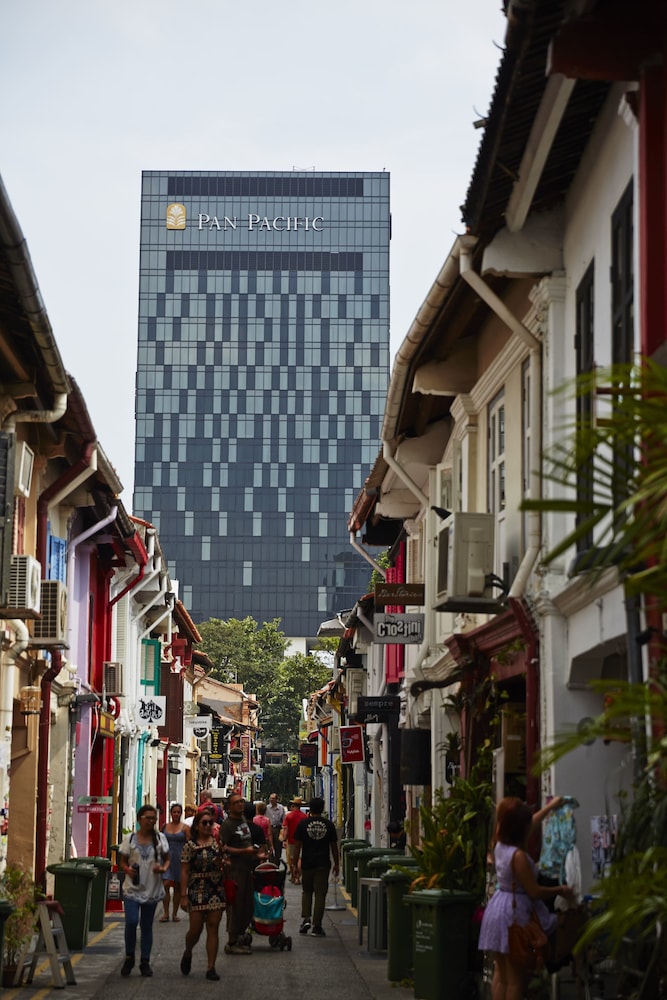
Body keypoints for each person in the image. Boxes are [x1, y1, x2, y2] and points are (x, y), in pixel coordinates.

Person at [478, 797, 575, 1000]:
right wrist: (561, 889)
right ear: (519, 829)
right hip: (514, 914)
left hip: (497, 909)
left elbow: (531, 822)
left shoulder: (499, 846)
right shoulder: (518, 856)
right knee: (516, 979)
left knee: (501, 974)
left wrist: (549, 807)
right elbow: (534, 891)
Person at [118, 804, 170, 977]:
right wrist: (127, 870)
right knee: (132, 921)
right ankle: (129, 956)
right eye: (147, 818)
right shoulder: (130, 839)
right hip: (132, 889)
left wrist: (163, 869)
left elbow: (167, 859)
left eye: (153, 818)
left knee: (147, 925)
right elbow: (122, 861)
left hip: (152, 889)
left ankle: (145, 961)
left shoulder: (160, 838)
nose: (151, 821)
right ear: (140, 819)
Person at [179, 808, 227, 980]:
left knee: (213, 926)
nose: (207, 825)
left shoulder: (218, 843)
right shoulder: (190, 846)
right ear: (197, 826)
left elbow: (225, 862)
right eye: (204, 823)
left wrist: (223, 862)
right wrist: (183, 896)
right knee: (195, 929)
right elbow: (184, 871)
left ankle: (211, 967)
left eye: (210, 823)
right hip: (197, 889)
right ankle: (188, 951)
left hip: (216, 888)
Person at [218, 792, 267, 954]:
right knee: (236, 906)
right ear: (230, 806)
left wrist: (256, 855)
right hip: (235, 871)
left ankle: (239, 935)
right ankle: (232, 942)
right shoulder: (228, 825)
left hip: (247, 869)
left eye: (241, 802)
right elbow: (222, 848)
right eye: (236, 802)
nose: (240, 804)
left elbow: (246, 844)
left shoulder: (243, 821)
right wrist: (243, 851)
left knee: (248, 906)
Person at [292, 797, 339, 937]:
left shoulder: (303, 824)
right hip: (323, 864)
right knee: (320, 894)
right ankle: (317, 925)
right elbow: (334, 847)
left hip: (307, 863)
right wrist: (337, 863)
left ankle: (306, 919)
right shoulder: (329, 825)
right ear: (322, 808)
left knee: (306, 892)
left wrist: (294, 864)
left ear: (310, 808)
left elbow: (297, 846)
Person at [160, 802, 190, 922]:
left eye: (178, 812)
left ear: (181, 814)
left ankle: (174, 913)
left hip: (179, 858)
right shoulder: (165, 827)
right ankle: (165, 913)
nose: (176, 814)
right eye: (174, 812)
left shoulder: (185, 828)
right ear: (171, 813)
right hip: (166, 858)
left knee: (177, 886)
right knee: (166, 884)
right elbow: (160, 840)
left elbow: (189, 842)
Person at [282, 796, 307, 883]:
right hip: (302, 840)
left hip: (292, 840)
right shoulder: (304, 816)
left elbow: (286, 829)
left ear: (293, 805)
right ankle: (298, 877)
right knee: (300, 858)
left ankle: (293, 876)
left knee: (292, 859)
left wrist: (284, 839)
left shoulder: (289, 816)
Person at [265, 792, 286, 864]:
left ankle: (277, 863)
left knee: (278, 847)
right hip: (269, 828)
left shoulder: (281, 808)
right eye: (270, 798)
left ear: (277, 800)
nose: (271, 800)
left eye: (273, 798)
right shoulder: (267, 808)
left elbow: (284, 820)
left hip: (277, 829)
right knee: (270, 846)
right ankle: (271, 862)